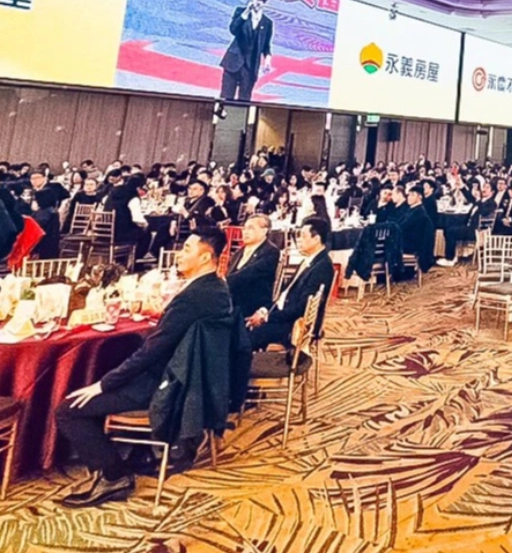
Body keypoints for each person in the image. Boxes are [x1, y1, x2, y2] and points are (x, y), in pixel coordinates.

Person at [55, 228, 232, 508]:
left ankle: (115, 476)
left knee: (67, 410)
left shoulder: (193, 298)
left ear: (205, 257)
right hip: (187, 375)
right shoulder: (216, 288)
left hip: (168, 384)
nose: (179, 254)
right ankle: (136, 452)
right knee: (116, 353)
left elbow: (152, 353)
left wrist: (103, 384)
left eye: (187, 249)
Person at [246, 217, 334, 350]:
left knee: (245, 339)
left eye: (303, 236)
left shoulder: (322, 267)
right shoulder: (311, 261)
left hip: (294, 325)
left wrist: (267, 318)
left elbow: (301, 308)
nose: (299, 240)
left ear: (316, 239)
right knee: (243, 324)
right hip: (284, 314)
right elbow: (285, 294)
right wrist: (264, 311)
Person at [219, 0, 273, 102]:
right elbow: (233, 29)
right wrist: (246, 13)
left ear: (264, 3)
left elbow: (266, 46)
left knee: (244, 100)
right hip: (233, 62)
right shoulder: (241, 12)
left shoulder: (267, 23)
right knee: (226, 97)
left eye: (261, 0)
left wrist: (267, 60)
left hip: (250, 66)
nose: (257, 2)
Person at [225, 214, 281, 318]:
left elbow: (249, 274)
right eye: (244, 228)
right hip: (231, 302)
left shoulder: (270, 251)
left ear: (264, 231)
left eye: (251, 228)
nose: (245, 232)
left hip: (252, 304)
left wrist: (222, 283)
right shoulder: (238, 253)